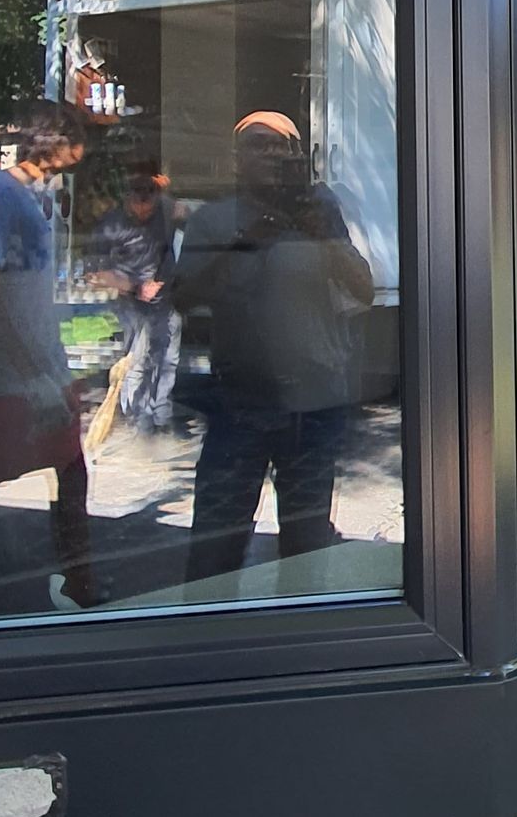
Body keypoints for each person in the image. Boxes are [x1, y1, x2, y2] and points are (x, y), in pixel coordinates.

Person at [172, 110, 375, 585]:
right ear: (236, 157)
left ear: (296, 156)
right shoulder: (214, 217)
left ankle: (299, 640)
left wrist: (324, 234)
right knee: (215, 544)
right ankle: (203, 644)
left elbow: (363, 288)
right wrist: (246, 243)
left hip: (314, 402)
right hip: (239, 400)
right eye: (258, 144)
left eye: (281, 146)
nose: (271, 153)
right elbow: (182, 298)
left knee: (306, 546)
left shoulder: (320, 210)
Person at [0, 97, 100, 609]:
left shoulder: (29, 196)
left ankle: (80, 583)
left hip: (33, 371)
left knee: (70, 473)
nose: (83, 149)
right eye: (77, 137)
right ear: (55, 139)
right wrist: (33, 373)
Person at [93, 167, 181, 434]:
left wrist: (161, 282)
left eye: (150, 200)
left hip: (164, 295)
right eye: (138, 200)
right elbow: (95, 271)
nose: (144, 208)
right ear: (128, 199)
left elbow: (174, 248)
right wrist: (134, 287)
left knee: (168, 357)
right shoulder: (112, 224)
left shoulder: (165, 216)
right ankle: (136, 415)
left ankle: (161, 413)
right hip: (129, 299)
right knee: (138, 358)